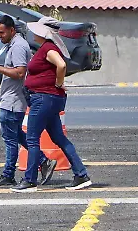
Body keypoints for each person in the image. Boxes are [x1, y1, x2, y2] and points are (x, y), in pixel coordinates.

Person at [12, 21, 92, 192]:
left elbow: (61, 65)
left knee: (32, 138)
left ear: (45, 33)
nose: (34, 33)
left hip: (43, 98)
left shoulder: (48, 48)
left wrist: (58, 82)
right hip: (49, 98)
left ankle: (29, 180)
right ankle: (81, 174)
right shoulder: (49, 47)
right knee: (58, 138)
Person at [0, 15, 56, 189]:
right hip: (12, 99)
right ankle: (43, 160)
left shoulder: (18, 46)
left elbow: (19, 72)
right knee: (16, 135)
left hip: (13, 100)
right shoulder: (15, 44)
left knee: (10, 138)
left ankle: (8, 174)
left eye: (2, 33)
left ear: (12, 30)